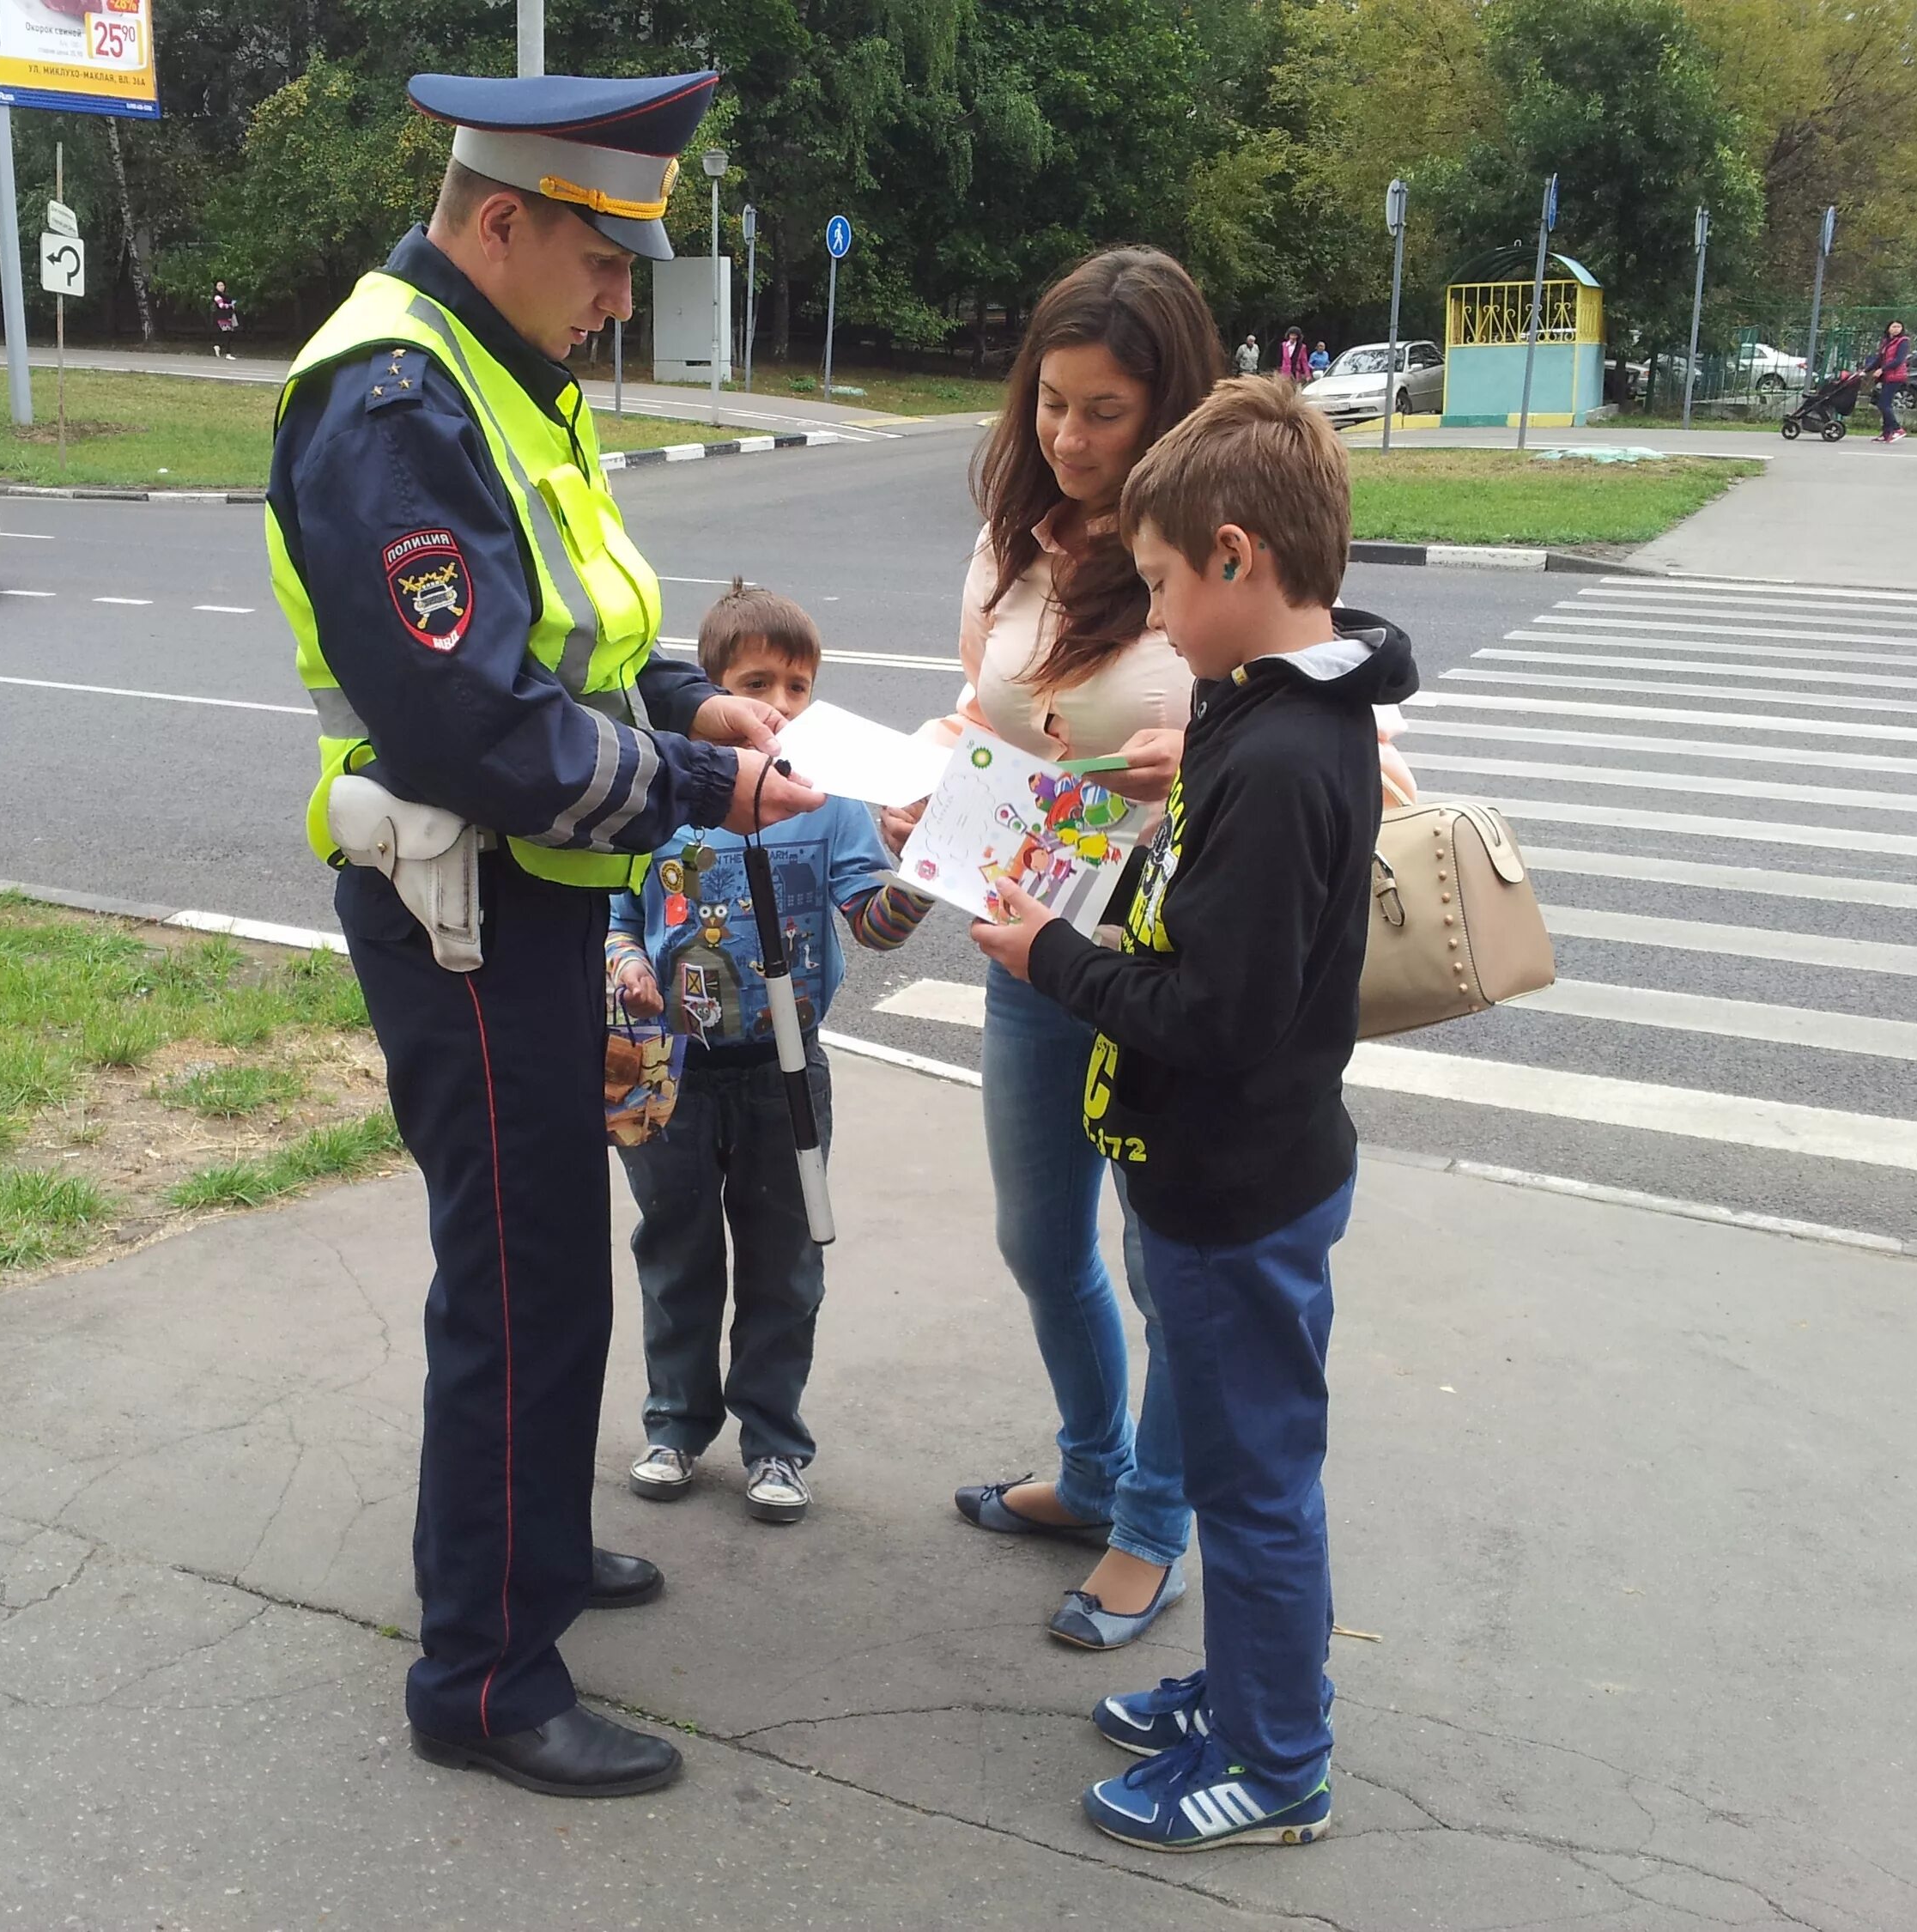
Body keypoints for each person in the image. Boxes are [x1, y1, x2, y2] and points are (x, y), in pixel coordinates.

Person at [266, 67, 825, 1801]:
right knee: (520, 1282)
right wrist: (695, 787)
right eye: (602, 262)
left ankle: (531, 1550)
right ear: (499, 222)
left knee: (549, 1260)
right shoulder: (392, 403)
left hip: (532, 901)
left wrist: (687, 710)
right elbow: (476, 729)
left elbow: (567, 641)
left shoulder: (500, 378)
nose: (618, 301)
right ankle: (487, 1675)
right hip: (463, 897)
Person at [972, 374, 1420, 1850]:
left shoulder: (1288, 756)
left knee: (1258, 1491)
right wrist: (1170, 770)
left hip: (1241, 1187)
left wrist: (1057, 955)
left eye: (1163, 583)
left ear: (1238, 556)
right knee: (1244, 1477)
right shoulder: (1266, 702)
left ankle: (1277, 1763)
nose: (1155, 620)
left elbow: (1219, 1019)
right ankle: (1242, 1692)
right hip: (1219, 1180)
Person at [885, 246, 1221, 1654]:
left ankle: (1152, 1525)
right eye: (1052, 404)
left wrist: (1194, 755)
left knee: (1170, 1268)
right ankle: (1089, 1474)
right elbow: (982, 712)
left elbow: (1340, 738)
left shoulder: (1220, 539)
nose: (1070, 441)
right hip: (1029, 941)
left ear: (1172, 410)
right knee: (1042, 1240)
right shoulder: (1015, 539)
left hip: (1172, 966)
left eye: (1107, 413)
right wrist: (917, 774)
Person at [607, 582, 934, 1527]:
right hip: (667, 1069)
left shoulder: (830, 808)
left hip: (786, 1074)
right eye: (760, 683)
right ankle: (674, 1424)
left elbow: (873, 926)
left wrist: (918, 867)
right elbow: (615, 913)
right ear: (712, 695)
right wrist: (627, 964)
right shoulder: (666, 793)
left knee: (785, 1264)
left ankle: (776, 1444)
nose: (783, 705)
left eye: (799, 685)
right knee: (674, 1253)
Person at [1865, 320, 1909, 442]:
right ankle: (1886, 433)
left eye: (1899, 327)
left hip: (1896, 376)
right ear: (1888, 328)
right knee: (1884, 404)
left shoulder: (1903, 342)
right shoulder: (1887, 342)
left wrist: (1882, 369)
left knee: (1883, 404)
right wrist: (1865, 370)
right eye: (1894, 327)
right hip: (1887, 377)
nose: (1896, 329)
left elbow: (1898, 360)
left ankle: (1897, 429)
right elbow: (1879, 359)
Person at [211, 280, 240, 357]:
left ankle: (219, 346)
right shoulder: (217, 296)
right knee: (227, 334)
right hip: (221, 317)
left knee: (229, 334)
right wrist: (230, 306)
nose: (221, 287)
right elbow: (221, 306)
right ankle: (228, 353)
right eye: (219, 286)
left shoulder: (226, 296)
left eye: (222, 285)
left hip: (228, 316)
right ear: (216, 287)